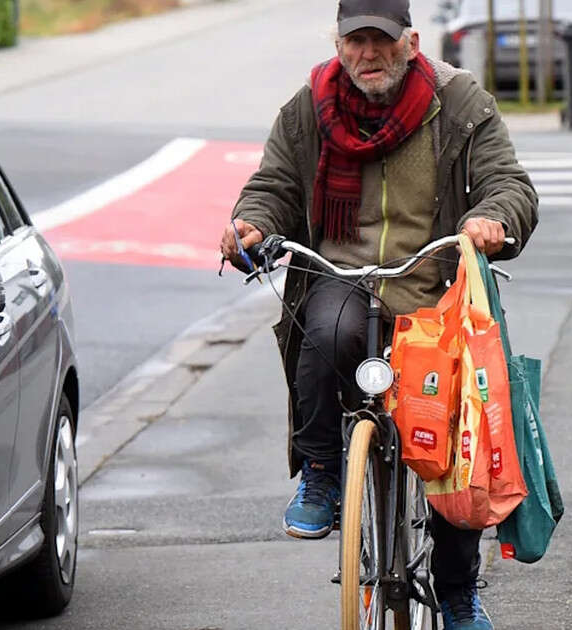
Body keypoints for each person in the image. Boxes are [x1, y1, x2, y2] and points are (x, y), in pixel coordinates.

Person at [220, 1, 537, 628]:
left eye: (382, 41)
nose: (369, 54)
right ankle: (321, 473)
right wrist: (251, 223)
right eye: (355, 41)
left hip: (433, 287)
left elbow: (510, 182)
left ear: (411, 42)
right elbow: (275, 183)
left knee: (447, 439)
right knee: (324, 326)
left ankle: (457, 595)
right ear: (337, 44)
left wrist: (493, 219)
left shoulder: (460, 101)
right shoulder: (310, 107)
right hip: (343, 277)